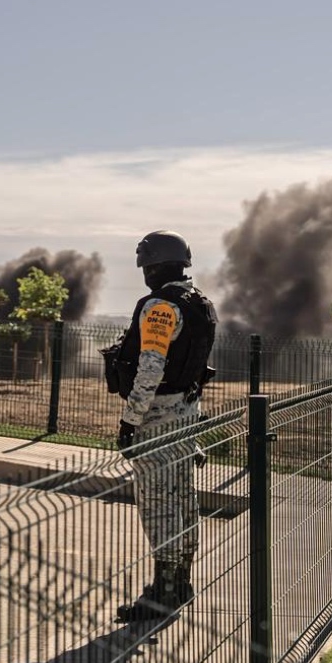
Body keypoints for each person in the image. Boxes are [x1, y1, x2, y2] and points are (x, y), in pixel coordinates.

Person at [112, 230, 218, 622]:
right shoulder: (200, 303)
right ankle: (182, 581)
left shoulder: (160, 307)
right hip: (187, 414)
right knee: (183, 499)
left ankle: (162, 592)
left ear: (153, 265)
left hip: (158, 417)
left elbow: (150, 369)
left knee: (157, 504)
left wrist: (130, 420)